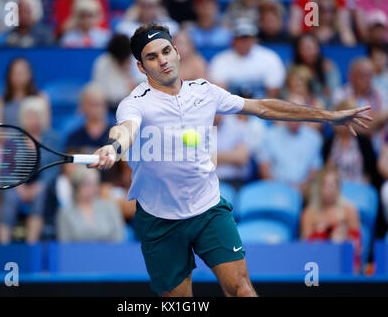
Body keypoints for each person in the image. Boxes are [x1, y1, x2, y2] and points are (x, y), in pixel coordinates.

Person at [88, 23, 371, 297]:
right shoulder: (136, 102)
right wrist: (113, 147)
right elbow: (125, 129)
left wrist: (329, 116)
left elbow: (262, 107)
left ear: (176, 51)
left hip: (208, 210)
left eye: (165, 51)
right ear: (141, 66)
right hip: (160, 220)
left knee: (242, 290)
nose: (162, 61)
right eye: (151, 56)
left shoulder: (205, 91)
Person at [0, 96, 60, 244]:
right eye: (30, 116)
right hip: (17, 186)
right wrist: (18, 187)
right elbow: (6, 169)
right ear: (23, 118)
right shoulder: (12, 139)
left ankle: (31, 247)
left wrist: (39, 186)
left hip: (43, 187)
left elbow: (54, 169)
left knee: (41, 196)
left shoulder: (53, 139)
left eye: (38, 115)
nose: (34, 120)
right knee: (10, 196)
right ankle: (3, 247)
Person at [300, 165, 362, 273]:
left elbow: (357, 246)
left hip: (344, 262)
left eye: (335, 185)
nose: (332, 189)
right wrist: (323, 234)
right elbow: (306, 248)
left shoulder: (349, 209)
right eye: (327, 185)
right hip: (317, 264)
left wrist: (345, 238)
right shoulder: (309, 213)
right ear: (319, 187)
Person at [209, 18, 286, 99]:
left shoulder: (270, 58)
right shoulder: (220, 60)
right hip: (231, 109)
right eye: (241, 38)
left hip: (262, 107)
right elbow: (220, 94)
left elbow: (273, 92)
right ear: (234, 40)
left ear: (255, 39)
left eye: (248, 38)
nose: (244, 42)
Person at [56, 166, 125, 242]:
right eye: (86, 184)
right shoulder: (66, 213)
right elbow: (64, 245)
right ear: (76, 186)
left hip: (108, 253)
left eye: (94, 184)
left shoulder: (111, 207)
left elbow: (119, 240)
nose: (91, 189)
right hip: (77, 253)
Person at [257, 118, 324, 196]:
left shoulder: (314, 138)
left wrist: (302, 188)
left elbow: (315, 170)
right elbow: (264, 170)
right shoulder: (270, 135)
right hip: (275, 191)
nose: (294, 118)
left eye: (297, 114)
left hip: (305, 193)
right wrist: (281, 189)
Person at [323, 100, 380, 187]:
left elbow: (372, 173)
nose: (343, 124)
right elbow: (324, 171)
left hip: (360, 187)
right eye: (340, 119)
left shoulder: (364, 143)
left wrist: (366, 182)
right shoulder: (328, 144)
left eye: (347, 119)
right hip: (336, 189)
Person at [91, 34, 146, 112]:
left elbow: (139, 90)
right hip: (109, 107)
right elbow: (102, 92)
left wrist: (127, 73)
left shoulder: (134, 60)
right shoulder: (103, 62)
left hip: (131, 105)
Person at [215, 114, 266, 191]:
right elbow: (196, 159)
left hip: (235, 182)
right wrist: (232, 156)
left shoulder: (238, 125)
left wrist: (210, 156)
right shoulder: (197, 127)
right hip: (205, 181)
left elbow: (242, 158)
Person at [292, 34, 341, 109]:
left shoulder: (328, 67)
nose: (309, 52)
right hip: (299, 108)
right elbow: (287, 93)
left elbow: (334, 94)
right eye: (305, 49)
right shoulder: (293, 69)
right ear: (298, 51)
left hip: (325, 109)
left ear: (318, 48)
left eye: (311, 48)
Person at [64, 83, 112, 153]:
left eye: (97, 104)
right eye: (90, 104)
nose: (94, 109)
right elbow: (70, 162)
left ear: (106, 106)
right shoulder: (75, 137)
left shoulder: (116, 136)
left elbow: (123, 162)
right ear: (82, 106)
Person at [288, 0, 355, 46]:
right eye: (322, 10)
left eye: (331, 10)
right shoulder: (300, 2)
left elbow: (349, 42)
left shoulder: (341, 3)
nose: (326, 15)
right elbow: (294, 32)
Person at [115, 0, 179, 38]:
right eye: (144, 5)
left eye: (151, 5)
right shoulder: (126, 26)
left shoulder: (169, 25)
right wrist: (127, 18)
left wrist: (163, 17)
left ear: (158, 7)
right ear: (137, 6)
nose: (147, 10)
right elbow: (120, 32)